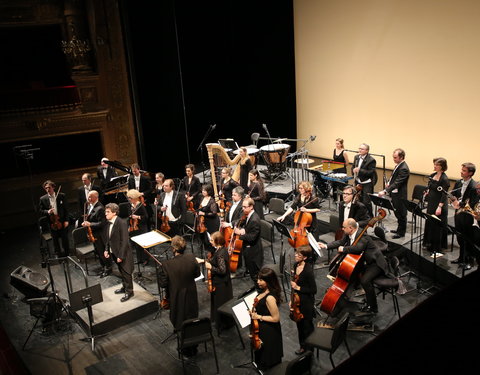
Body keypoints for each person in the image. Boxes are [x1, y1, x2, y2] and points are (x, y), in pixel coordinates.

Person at [318, 218, 388, 314]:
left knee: (365, 281)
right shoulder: (348, 233)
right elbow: (340, 242)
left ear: (351, 228)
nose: (342, 229)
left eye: (344, 227)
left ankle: (373, 307)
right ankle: (343, 298)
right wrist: (326, 246)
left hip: (375, 263)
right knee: (349, 274)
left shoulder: (363, 236)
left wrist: (344, 249)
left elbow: (358, 248)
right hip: (363, 261)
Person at [158, 235, 200, 333]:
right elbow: (197, 274)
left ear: (173, 249)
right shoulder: (191, 257)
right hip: (191, 294)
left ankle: (181, 339)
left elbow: (163, 284)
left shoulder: (167, 265)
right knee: (191, 317)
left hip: (176, 296)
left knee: (179, 319)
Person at [250, 267, 283, 371]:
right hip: (263, 328)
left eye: (261, 280)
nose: (258, 282)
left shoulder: (270, 298)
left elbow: (276, 318)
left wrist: (258, 316)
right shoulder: (264, 291)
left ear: (268, 282)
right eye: (258, 279)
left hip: (269, 332)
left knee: (268, 360)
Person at [202, 231, 234, 331]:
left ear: (217, 241)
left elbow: (222, 270)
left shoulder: (220, 254)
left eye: (212, 240)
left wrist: (210, 267)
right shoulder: (220, 249)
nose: (210, 241)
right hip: (223, 283)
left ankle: (223, 324)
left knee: (220, 304)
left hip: (221, 285)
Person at [290, 246, 317, 356]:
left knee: (307, 328)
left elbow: (313, 290)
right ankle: (302, 346)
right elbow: (294, 284)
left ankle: (310, 349)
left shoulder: (308, 271)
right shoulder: (296, 265)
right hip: (297, 301)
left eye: (299, 255)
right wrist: (292, 300)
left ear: (305, 258)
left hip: (306, 303)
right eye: (296, 253)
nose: (296, 255)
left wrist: (298, 288)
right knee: (299, 326)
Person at [104, 203, 134, 302]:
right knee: (121, 271)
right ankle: (125, 287)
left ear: (114, 212)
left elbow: (125, 241)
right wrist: (106, 249)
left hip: (123, 253)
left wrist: (121, 256)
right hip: (114, 252)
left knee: (126, 272)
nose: (105, 214)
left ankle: (129, 292)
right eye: (106, 211)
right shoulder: (109, 222)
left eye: (108, 212)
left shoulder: (122, 223)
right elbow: (108, 238)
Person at [378, 148, 410, 239]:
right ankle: (399, 229)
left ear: (401, 157)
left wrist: (385, 191)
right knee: (397, 212)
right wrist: (389, 183)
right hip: (395, 193)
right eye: (393, 157)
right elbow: (394, 179)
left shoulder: (404, 168)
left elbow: (398, 182)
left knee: (401, 214)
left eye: (395, 157)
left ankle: (401, 233)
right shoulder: (398, 165)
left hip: (400, 195)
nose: (394, 159)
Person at [451, 162, 478, 269]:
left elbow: (473, 202)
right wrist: (453, 200)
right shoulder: (458, 182)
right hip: (458, 213)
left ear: (470, 173)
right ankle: (461, 258)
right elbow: (455, 195)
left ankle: (470, 260)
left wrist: (460, 204)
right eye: (462, 170)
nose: (461, 172)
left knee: (468, 238)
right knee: (460, 236)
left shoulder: (474, 186)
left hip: (468, 216)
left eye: (464, 171)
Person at [81, 190, 112, 277]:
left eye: (90, 197)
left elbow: (102, 223)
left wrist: (90, 224)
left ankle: (108, 268)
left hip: (100, 234)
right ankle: (103, 267)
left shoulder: (100, 208)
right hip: (94, 233)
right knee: (98, 252)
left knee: (103, 252)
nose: (88, 198)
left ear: (96, 197)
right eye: (88, 196)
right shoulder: (89, 206)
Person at [423, 157, 450, 255]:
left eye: (437, 165)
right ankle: (430, 243)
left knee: (437, 226)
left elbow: (444, 194)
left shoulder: (445, 179)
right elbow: (430, 187)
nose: (434, 166)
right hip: (431, 202)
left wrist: (439, 207)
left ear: (442, 166)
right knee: (430, 222)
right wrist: (427, 191)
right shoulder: (432, 175)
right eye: (434, 164)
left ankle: (437, 246)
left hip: (439, 204)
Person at [235, 197, 263, 283]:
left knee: (255, 275)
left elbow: (252, 237)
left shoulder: (254, 219)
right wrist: (243, 229)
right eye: (242, 207)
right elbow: (247, 227)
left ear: (251, 207)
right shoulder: (249, 215)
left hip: (253, 251)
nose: (243, 209)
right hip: (249, 248)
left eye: (245, 207)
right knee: (250, 269)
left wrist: (240, 234)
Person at [39, 180, 70, 256]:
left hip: (62, 220)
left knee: (64, 238)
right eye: (46, 188)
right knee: (55, 239)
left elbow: (66, 209)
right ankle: (58, 253)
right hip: (51, 222)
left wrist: (66, 220)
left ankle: (67, 252)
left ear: (53, 187)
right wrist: (47, 211)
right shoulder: (43, 199)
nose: (47, 190)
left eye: (49, 187)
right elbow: (40, 210)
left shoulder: (61, 196)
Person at [352, 143, 377, 216]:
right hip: (358, 181)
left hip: (367, 182)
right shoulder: (356, 157)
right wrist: (353, 170)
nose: (359, 150)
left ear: (367, 151)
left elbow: (371, 172)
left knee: (366, 201)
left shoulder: (371, 160)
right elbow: (353, 166)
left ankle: (370, 216)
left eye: (362, 149)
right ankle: (360, 215)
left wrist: (360, 170)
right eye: (359, 148)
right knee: (357, 199)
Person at [126, 189, 149, 265]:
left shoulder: (141, 206)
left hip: (141, 227)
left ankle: (146, 259)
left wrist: (138, 217)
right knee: (136, 244)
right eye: (129, 198)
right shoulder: (131, 205)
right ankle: (139, 259)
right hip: (134, 227)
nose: (129, 199)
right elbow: (129, 216)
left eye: (130, 198)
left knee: (144, 244)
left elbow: (146, 217)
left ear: (134, 198)